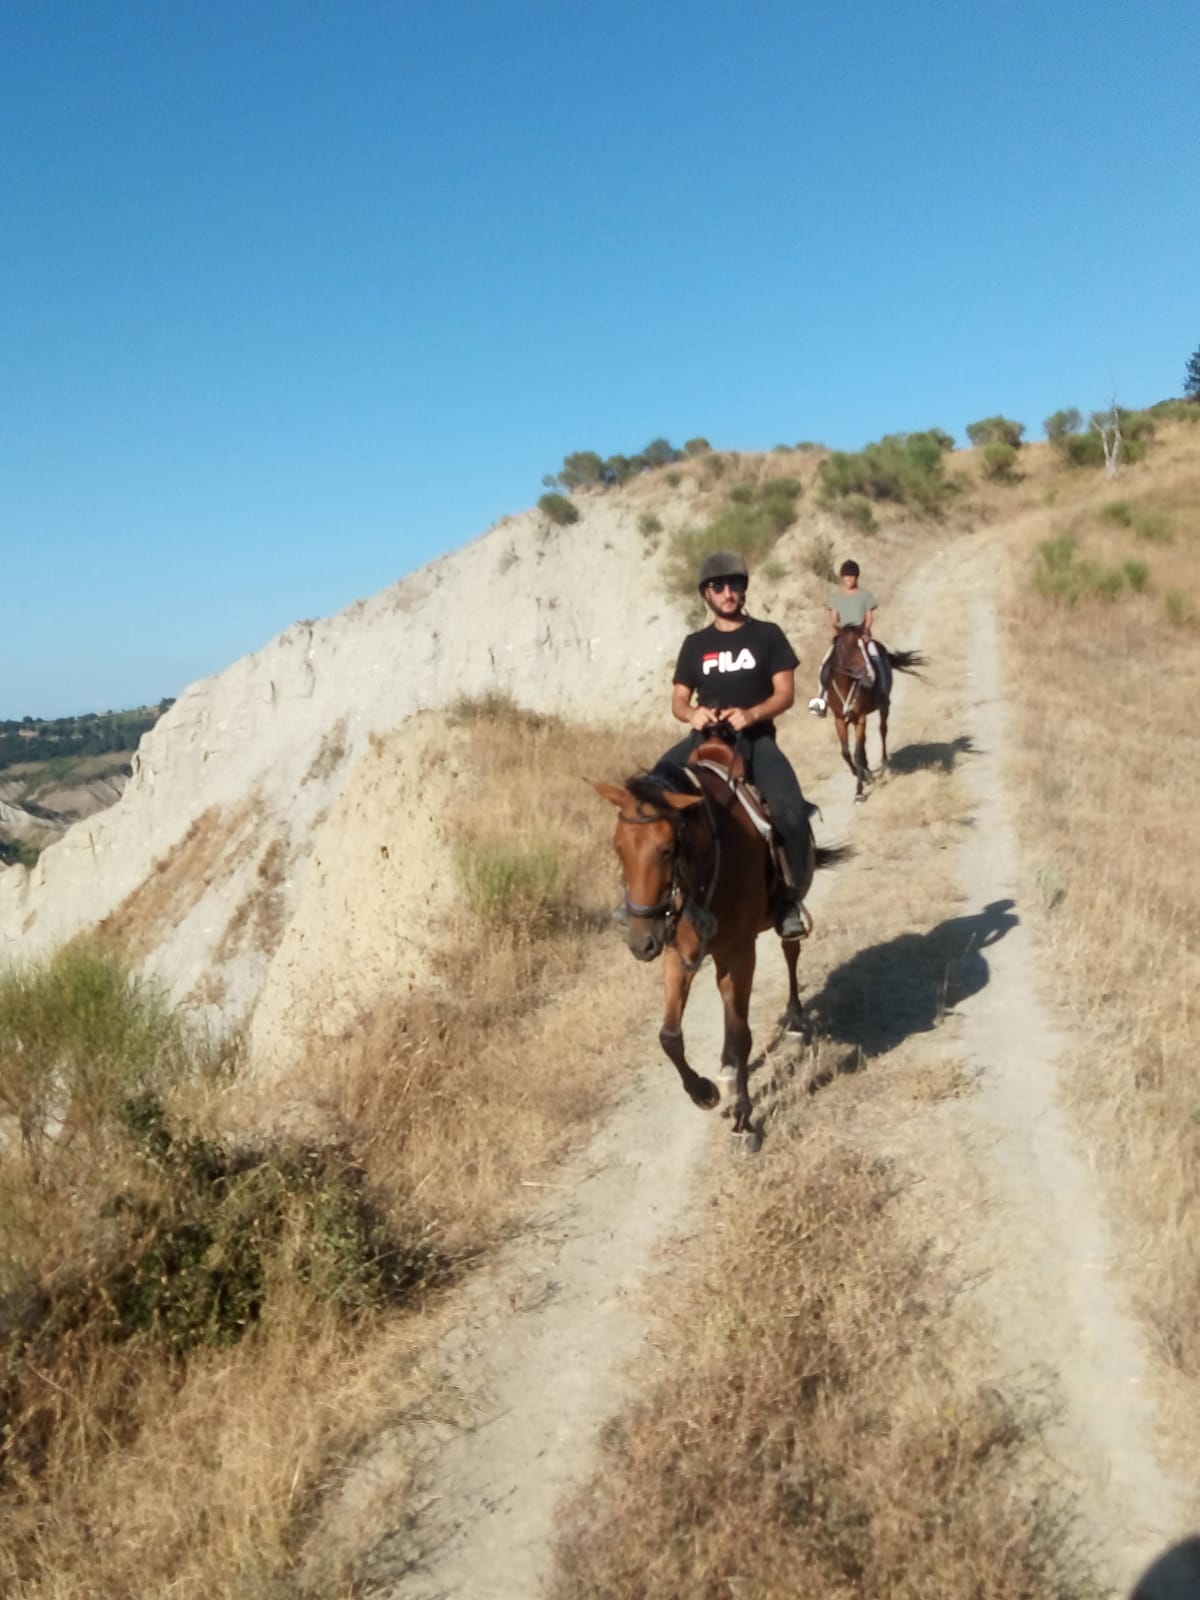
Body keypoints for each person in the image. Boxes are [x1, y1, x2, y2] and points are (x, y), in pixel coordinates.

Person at [659, 549, 812, 939]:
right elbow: (678, 698)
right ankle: (652, 898)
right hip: (704, 737)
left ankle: (788, 899)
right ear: (706, 594)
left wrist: (753, 714)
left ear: (744, 590)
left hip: (755, 740)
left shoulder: (767, 635)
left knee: (791, 812)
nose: (728, 592)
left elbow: (785, 693)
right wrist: (691, 713)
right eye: (719, 586)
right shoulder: (695, 644)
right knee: (651, 792)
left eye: (736, 585)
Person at [808, 558, 879, 717]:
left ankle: (881, 691)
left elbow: (869, 617)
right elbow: (834, 619)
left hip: (861, 636)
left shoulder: (865, 596)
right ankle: (821, 699)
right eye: (846, 576)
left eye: (852, 576)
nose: (849, 579)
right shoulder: (836, 598)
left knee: (876, 658)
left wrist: (867, 630)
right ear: (842, 578)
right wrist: (839, 631)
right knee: (825, 664)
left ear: (857, 577)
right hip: (843, 637)